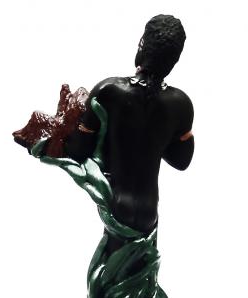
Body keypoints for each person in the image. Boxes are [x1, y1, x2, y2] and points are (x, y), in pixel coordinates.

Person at [64, 14, 194, 238]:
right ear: (175, 59)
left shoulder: (108, 91)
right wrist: (157, 134)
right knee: (138, 260)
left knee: (110, 260)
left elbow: (77, 151)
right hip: (149, 212)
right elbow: (182, 161)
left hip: (115, 204)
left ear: (142, 45)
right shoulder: (181, 104)